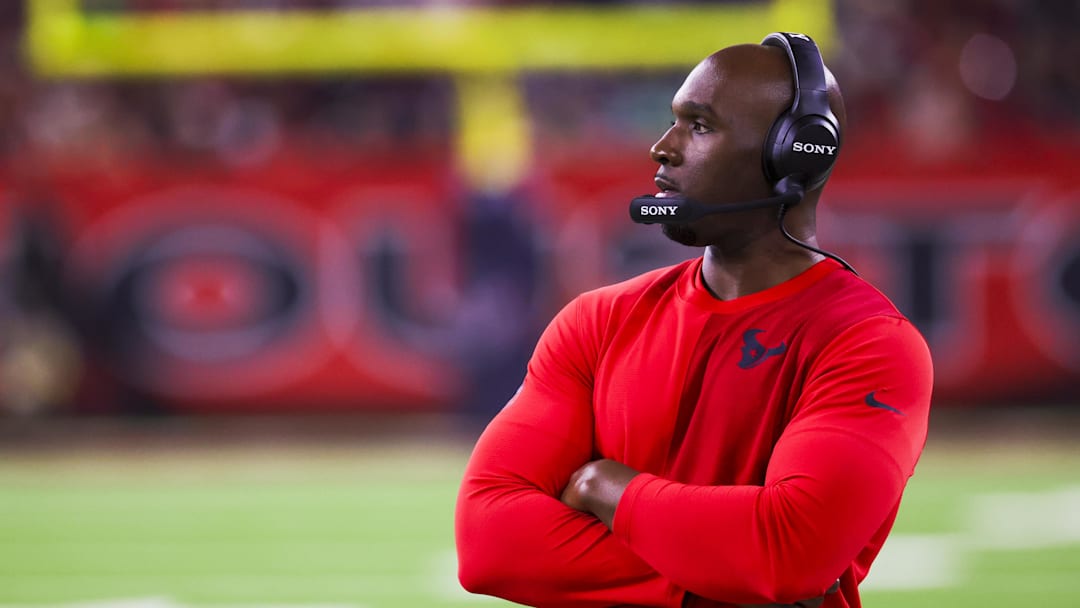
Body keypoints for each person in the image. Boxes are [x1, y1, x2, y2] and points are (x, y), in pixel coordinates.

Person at [455, 32, 933, 608]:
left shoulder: (869, 343)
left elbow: (791, 551)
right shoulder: (596, 322)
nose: (663, 147)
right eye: (674, 121)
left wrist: (607, 487)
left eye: (699, 126)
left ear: (794, 153)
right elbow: (488, 544)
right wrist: (729, 576)